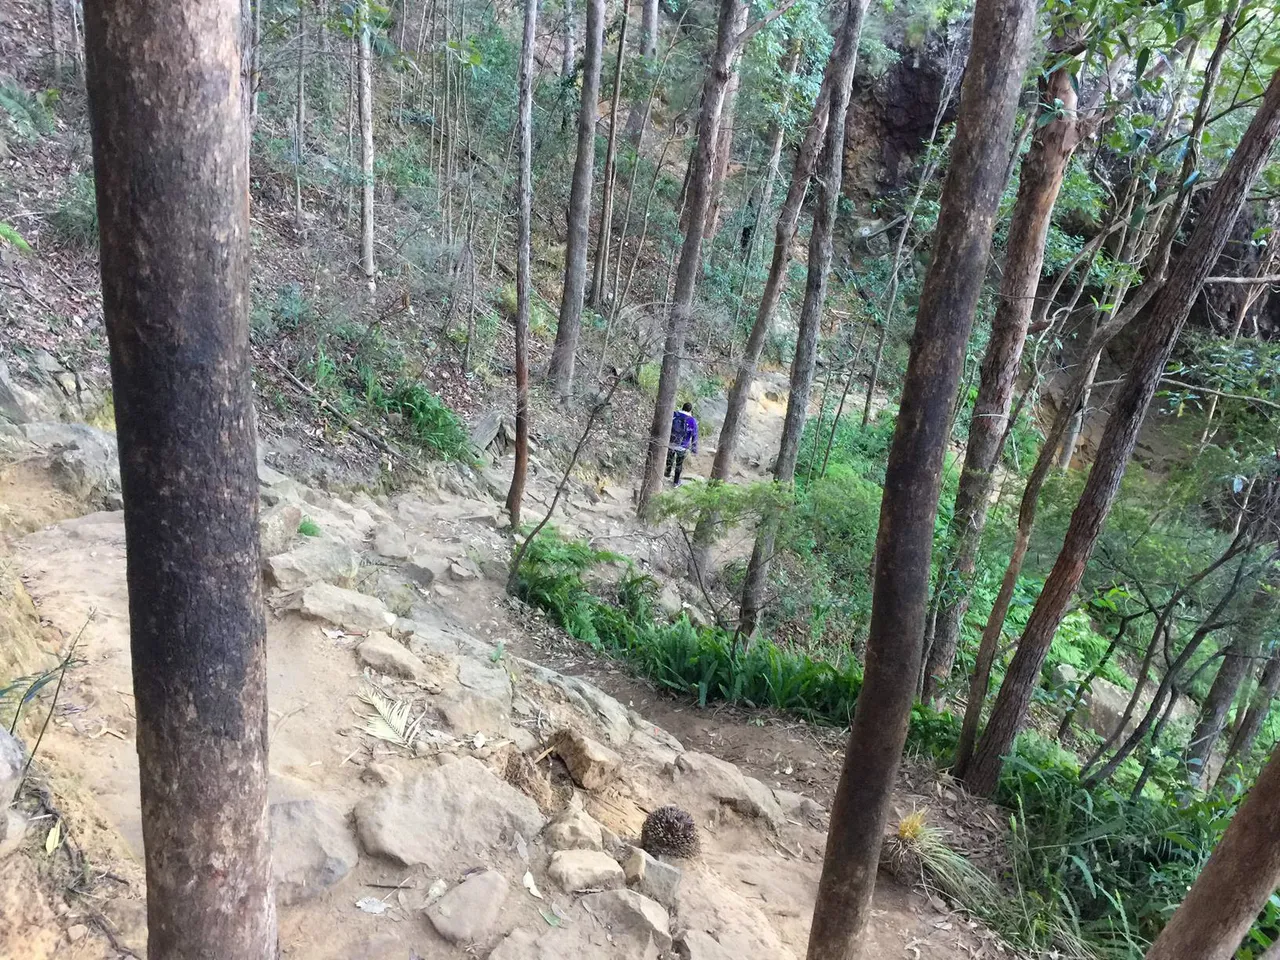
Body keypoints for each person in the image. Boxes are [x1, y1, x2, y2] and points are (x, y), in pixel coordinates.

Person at [665, 402, 698, 485]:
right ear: (690, 410)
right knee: (679, 464)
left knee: (670, 458)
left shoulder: (674, 414)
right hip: (682, 445)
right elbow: (694, 435)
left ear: (682, 407)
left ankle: (667, 473)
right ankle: (676, 482)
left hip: (671, 442)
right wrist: (694, 448)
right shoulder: (692, 421)